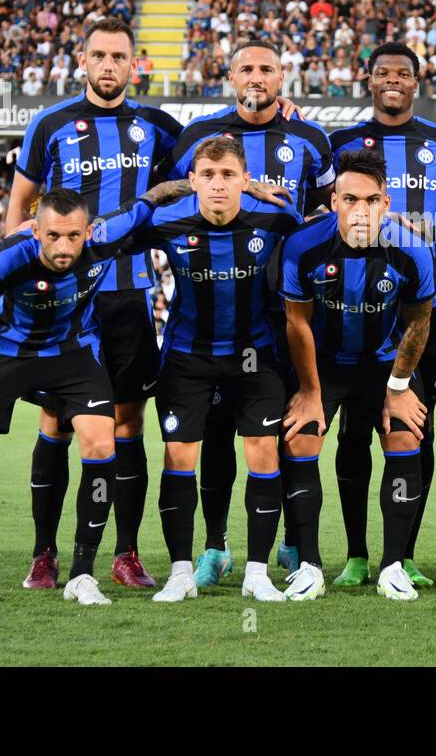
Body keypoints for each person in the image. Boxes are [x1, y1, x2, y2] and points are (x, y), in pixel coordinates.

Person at [0, 183, 187, 609]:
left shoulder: (107, 236)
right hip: (8, 351)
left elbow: (154, 196)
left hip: (72, 351)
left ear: (89, 231)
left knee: (101, 442)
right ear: (36, 230)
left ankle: (83, 574)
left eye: (73, 235)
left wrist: (219, 182)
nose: (64, 246)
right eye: (53, 236)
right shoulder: (8, 258)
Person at [6, 18, 183, 593]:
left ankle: (126, 553)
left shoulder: (157, 127)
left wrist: (281, 115)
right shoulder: (50, 124)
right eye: (99, 56)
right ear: (82, 61)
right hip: (63, 302)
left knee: (128, 423)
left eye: (120, 57)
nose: (109, 66)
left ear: (136, 65)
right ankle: (43, 555)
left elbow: (211, 159)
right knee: (55, 421)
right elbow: (18, 214)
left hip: (129, 298)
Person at [162, 39, 334, 588]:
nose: (256, 77)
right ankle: (215, 547)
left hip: (288, 314)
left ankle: (290, 545)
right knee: (212, 436)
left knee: (285, 433)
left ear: (282, 77)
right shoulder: (198, 138)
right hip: (214, 316)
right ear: (230, 77)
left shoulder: (311, 138)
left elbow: (327, 213)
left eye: (266, 68)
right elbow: (170, 201)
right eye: (246, 68)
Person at [110, 135, 303, 602]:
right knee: (179, 458)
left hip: (254, 355)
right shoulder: (168, 219)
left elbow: (310, 235)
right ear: (193, 180)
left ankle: (258, 573)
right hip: (186, 358)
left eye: (229, 176)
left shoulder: (274, 219)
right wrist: (154, 195)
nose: (219, 185)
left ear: (245, 180)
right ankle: (180, 573)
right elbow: (107, 236)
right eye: (209, 176)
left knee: (263, 452)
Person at [326, 42, 436, 589]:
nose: (392, 81)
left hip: (423, 314)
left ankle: (401, 554)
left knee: (416, 432)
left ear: (416, 81)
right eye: (382, 72)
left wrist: (420, 230)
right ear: (368, 79)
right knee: (354, 434)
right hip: (354, 311)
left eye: (402, 74)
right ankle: (358, 553)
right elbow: (322, 214)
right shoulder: (341, 145)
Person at [280, 149, 436, 601]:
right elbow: (297, 322)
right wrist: (310, 391)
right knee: (300, 436)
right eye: (350, 200)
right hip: (327, 365)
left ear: (386, 203)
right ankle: (309, 565)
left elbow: (419, 322)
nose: (361, 211)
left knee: (406, 435)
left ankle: (392, 566)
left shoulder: (411, 251)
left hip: (387, 364)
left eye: (371, 201)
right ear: (334, 202)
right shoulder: (304, 246)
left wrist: (399, 387)